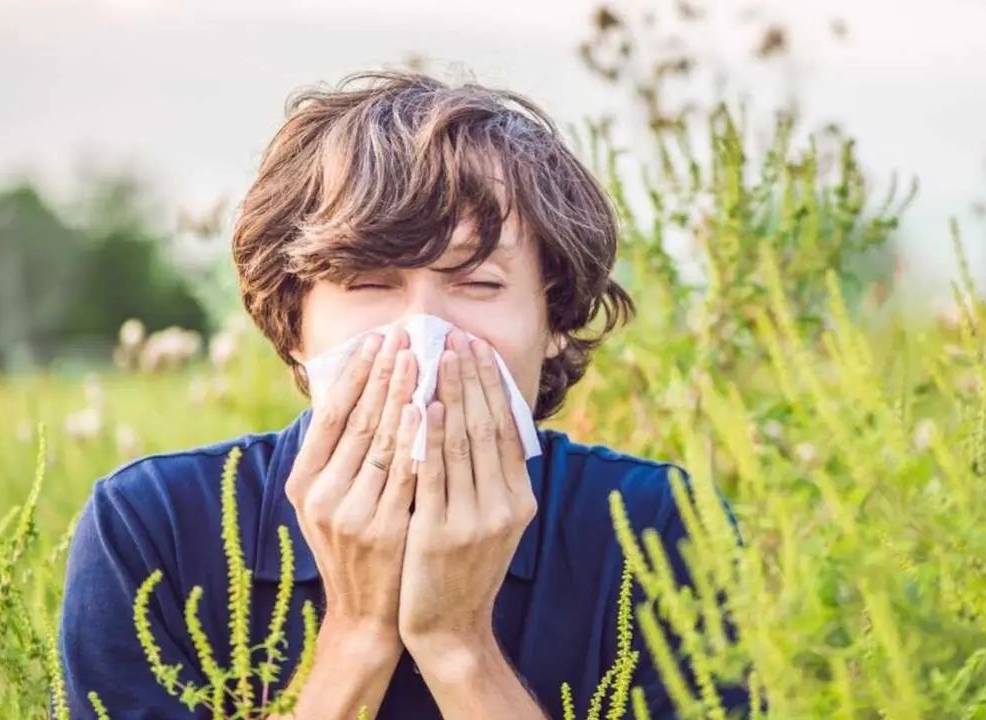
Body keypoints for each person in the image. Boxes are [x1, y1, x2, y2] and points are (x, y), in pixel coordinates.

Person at [57, 70, 750, 719]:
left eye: (478, 284)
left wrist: (459, 647)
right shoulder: (154, 530)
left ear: (554, 324)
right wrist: (358, 636)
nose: (426, 333)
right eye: (368, 283)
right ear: (292, 322)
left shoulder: (659, 531)